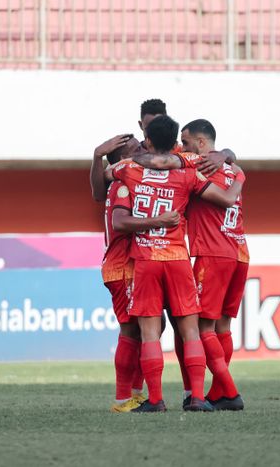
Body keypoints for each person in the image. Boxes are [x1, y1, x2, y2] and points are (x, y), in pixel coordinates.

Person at [97, 115, 245, 412]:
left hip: (146, 260)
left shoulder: (129, 169)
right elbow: (224, 196)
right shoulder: (189, 168)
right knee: (191, 330)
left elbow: (102, 185)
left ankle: (154, 400)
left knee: (150, 332)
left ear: (148, 140)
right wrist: (237, 172)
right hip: (178, 258)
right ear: (176, 142)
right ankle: (199, 398)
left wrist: (98, 155)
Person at [92, 134, 181, 412]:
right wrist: (161, 221)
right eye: (134, 149)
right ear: (121, 159)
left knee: (152, 328)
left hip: (129, 265)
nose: (141, 150)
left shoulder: (129, 182)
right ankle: (123, 398)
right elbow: (121, 223)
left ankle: (134, 393)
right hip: (123, 266)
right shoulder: (121, 185)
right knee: (133, 330)